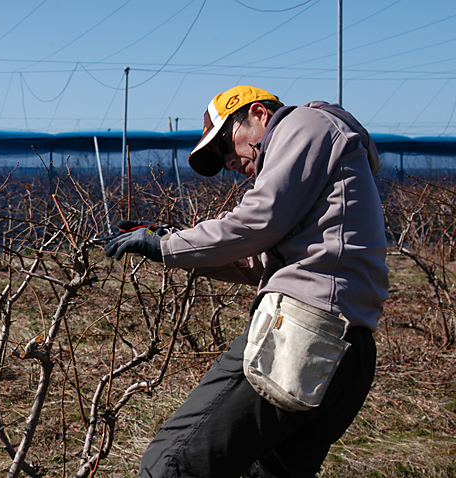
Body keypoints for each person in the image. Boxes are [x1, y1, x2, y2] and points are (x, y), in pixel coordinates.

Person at [104, 85, 389, 478]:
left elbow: (256, 222)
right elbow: (253, 259)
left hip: (305, 334)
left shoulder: (303, 123)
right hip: (349, 354)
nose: (228, 162)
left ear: (259, 114)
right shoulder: (328, 164)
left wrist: (167, 245)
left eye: (226, 144)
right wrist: (169, 243)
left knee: (172, 463)